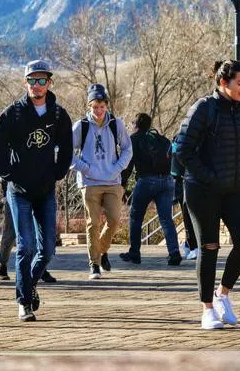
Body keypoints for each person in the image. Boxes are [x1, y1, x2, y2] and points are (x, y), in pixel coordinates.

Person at [176, 60, 240, 330]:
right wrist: (209, 177)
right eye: (239, 83)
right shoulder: (204, 108)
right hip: (202, 189)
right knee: (209, 247)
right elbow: (182, 150)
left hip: (235, 188)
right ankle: (207, 310)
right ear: (223, 83)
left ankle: (222, 295)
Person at [0, 59, 73, 321]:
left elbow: (68, 149)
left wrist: (57, 173)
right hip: (19, 191)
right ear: (25, 82)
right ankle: (23, 302)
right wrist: (10, 175)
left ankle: (30, 284)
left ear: (49, 83)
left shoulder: (59, 115)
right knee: (25, 246)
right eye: (32, 80)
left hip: (46, 190)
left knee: (47, 249)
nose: (37, 85)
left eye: (42, 80)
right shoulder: (12, 114)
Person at [71, 83, 132, 280]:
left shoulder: (116, 124)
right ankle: (94, 264)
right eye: (94, 107)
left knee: (114, 220)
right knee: (93, 223)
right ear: (89, 106)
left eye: (102, 106)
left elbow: (127, 149)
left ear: (107, 105)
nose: (98, 110)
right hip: (89, 182)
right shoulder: (81, 126)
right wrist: (85, 168)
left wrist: (117, 168)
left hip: (112, 180)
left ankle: (102, 250)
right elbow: (67, 153)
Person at [119, 113, 182, 266]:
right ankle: (174, 253)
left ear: (136, 125)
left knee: (136, 216)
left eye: (132, 123)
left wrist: (122, 185)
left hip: (147, 180)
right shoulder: (162, 139)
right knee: (166, 218)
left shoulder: (134, 139)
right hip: (167, 181)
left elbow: (128, 165)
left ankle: (134, 252)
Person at [171, 135, 198, 260]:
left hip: (184, 182)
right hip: (198, 181)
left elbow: (175, 168)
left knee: (188, 217)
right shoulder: (199, 139)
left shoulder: (178, 141)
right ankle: (191, 245)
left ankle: (192, 246)